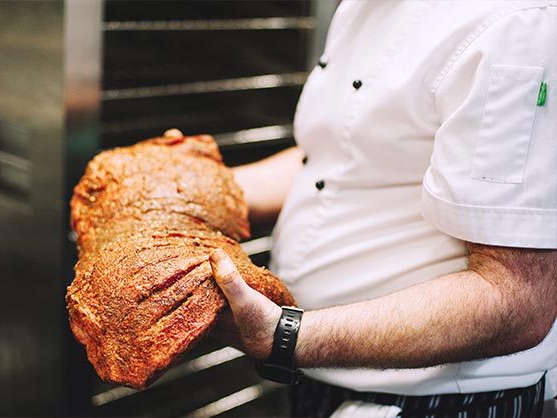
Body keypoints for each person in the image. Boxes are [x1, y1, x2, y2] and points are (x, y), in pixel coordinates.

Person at [208, 1, 557, 417]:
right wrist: (177, 190)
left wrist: (285, 337)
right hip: (323, 375)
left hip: (433, 401)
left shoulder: (516, 26)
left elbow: (514, 298)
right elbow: (335, 160)